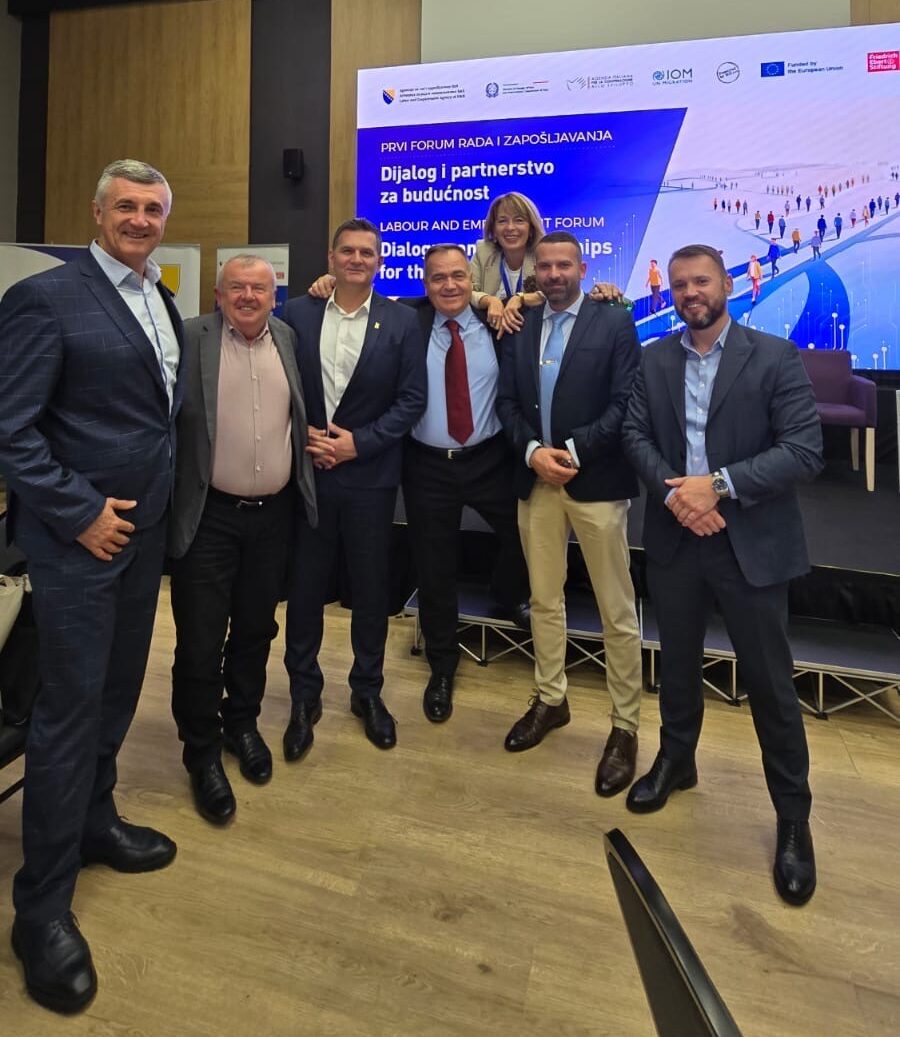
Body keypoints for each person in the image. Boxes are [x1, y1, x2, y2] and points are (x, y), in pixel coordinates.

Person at [0, 159, 182, 1012]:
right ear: (97, 212)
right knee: (67, 716)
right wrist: (78, 513)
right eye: (127, 206)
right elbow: (11, 428)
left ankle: (94, 821)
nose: (140, 219)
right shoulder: (45, 298)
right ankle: (39, 911)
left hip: (141, 540)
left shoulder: (159, 296)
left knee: (115, 695)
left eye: (153, 208)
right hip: (80, 543)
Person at [621, 244, 823, 906]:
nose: (690, 293)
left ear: (726, 284)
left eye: (701, 281)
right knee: (676, 665)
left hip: (751, 545)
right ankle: (676, 761)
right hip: (677, 537)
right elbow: (635, 436)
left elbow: (803, 449)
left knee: (770, 684)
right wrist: (679, 495)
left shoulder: (775, 355)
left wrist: (719, 486)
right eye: (680, 284)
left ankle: (792, 817)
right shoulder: (653, 357)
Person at [168, 255, 317, 824]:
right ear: (218, 293)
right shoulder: (190, 338)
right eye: (237, 287)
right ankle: (201, 752)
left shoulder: (289, 338)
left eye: (259, 287)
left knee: (256, 630)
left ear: (275, 296)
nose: (249, 296)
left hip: (273, 517)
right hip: (209, 515)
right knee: (201, 641)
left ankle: (242, 725)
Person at [496, 232, 644, 798]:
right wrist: (535, 452)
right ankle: (551, 699)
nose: (555, 274)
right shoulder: (519, 324)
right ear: (534, 271)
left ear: (583, 269)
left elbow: (626, 402)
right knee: (543, 599)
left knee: (616, 609)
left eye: (565, 265)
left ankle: (625, 726)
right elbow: (507, 403)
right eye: (546, 266)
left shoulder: (614, 320)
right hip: (536, 480)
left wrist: (575, 453)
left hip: (596, 481)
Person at [280, 218, 426, 755]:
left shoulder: (402, 320)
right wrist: (303, 435)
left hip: (370, 478)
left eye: (367, 252)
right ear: (332, 257)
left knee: (369, 590)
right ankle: (304, 695)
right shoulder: (297, 313)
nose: (357, 259)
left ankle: (367, 691)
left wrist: (357, 444)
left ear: (380, 261)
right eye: (348, 251)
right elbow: (280, 386)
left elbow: (411, 401)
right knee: (305, 591)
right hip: (309, 475)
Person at [400, 245, 531, 721]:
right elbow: (357, 300)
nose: (449, 285)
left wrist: (605, 293)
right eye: (438, 278)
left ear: (471, 282)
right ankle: (442, 666)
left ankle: (505, 591)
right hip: (428, 465)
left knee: (525, 534)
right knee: (434, 568)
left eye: (458, 276)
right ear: (425, 284)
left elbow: (550, 297)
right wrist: (328, 283)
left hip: (490, 458)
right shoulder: (407, 322)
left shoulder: (498, 323)